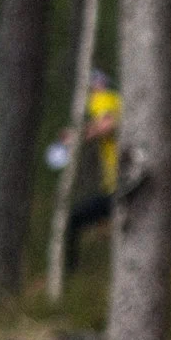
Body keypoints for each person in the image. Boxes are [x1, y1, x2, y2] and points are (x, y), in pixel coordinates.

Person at [53, 70, 123, 266]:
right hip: (118, 185)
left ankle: (69, 278)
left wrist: (76, 137)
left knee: (72, 220)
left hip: (120, 187)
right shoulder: (117, 100)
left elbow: (107, 126)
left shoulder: (102, 98)